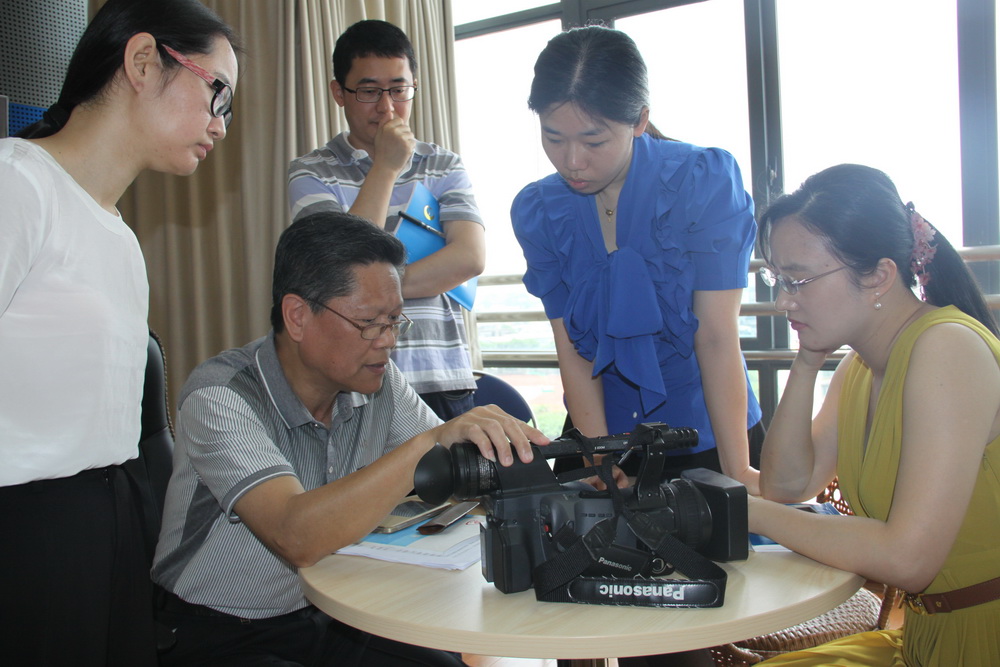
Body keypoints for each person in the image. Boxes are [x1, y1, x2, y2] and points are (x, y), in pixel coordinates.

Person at [151, 212, 546, 666]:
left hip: (331, 612)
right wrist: (427, 443)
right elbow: (294, 536)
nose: (388, 341)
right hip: (218, 630)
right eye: (369, 322)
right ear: (297, 316)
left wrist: (548, 472)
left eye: (395, 320)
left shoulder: (377, 382)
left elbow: (455, 464)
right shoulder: (221, 395)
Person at [0, 1, 239, 664]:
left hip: (112, 521)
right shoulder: (18, 183)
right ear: (142, 62)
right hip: (29, 529)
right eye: (217, 93)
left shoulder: (119, 234)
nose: (221, 125)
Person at [748, 164, 1000, 666]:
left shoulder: (947, 348)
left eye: (798, 280)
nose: (782, 301)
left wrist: (746, 512)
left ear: (879, 276)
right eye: (779, 280)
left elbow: (907, 559)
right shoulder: (858, 368)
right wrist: (807, 359)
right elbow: (786, 484)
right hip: (927, 633)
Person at [511, 25, 762, 492]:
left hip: (709, 433)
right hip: (598, 432)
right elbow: (572, 347)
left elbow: (715, 337)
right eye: (553, 137)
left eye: (594, 141)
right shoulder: (540, 210)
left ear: (640, 120)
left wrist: (739, 472)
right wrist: (598, 455)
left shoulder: (701, 181)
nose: (572, 161)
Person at [288, 19, 485, 422]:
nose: (387, 107)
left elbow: (469, 257)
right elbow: (339, 268)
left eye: (398, 89)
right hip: (353, 382)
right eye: (369, 91)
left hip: (439, 375)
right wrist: (387, 167)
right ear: (338, 93)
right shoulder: (311, 171)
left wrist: (369, 294)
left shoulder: (442, 164)